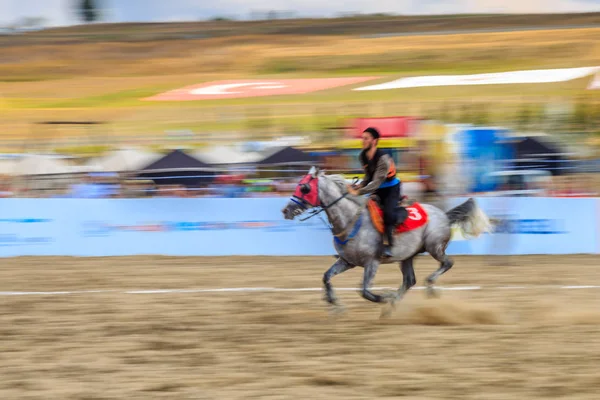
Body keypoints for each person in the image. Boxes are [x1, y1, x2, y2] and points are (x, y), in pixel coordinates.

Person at [347, 127, 401, 258]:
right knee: (358, 210)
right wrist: (358, 186)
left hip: (391, 189)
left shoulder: (383, 159)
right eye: (362, 138)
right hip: (377, 188)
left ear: (374, 141)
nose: (363, 141)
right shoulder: (362, 156)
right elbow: (368, 177)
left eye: (366, 138)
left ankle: (389, 245)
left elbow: (376, 182)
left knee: (388, 213)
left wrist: (358, 192)